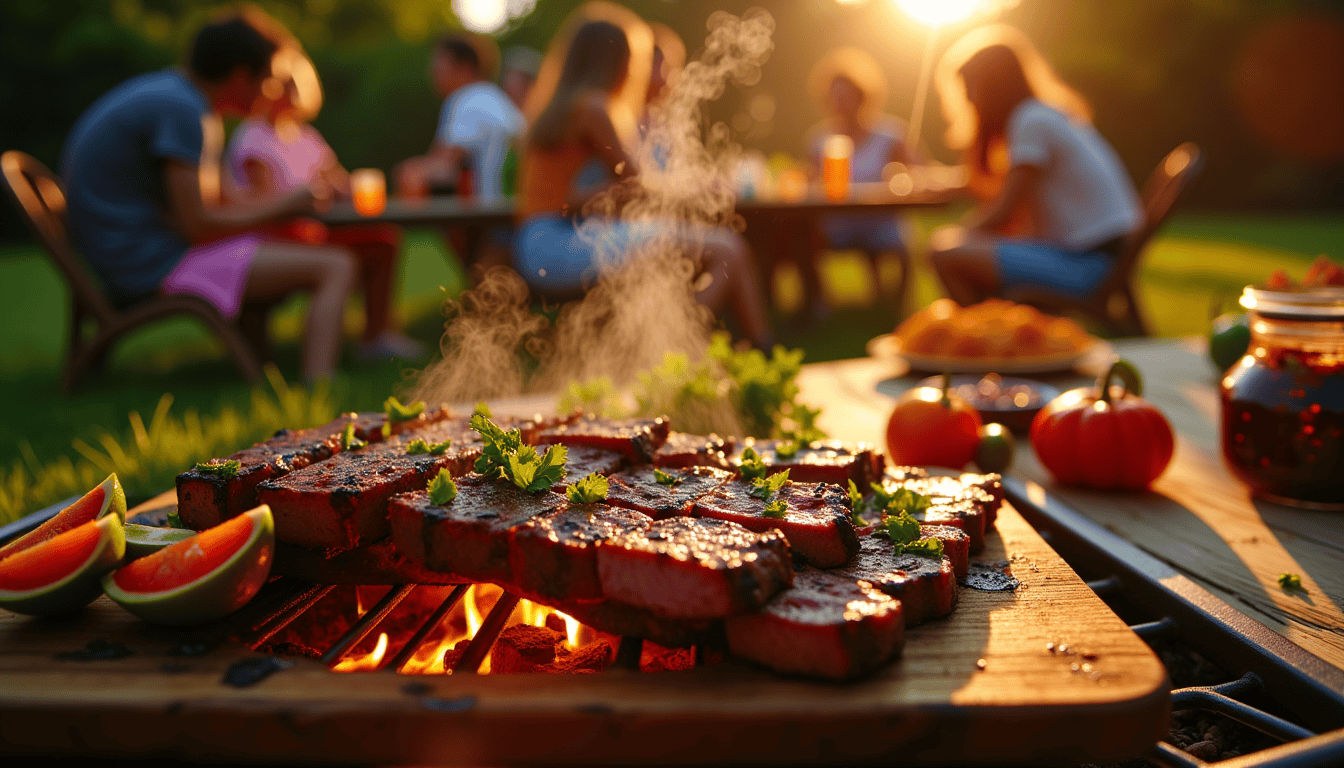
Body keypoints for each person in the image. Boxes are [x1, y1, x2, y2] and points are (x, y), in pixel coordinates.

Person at [61, 8, 355, 382]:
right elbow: (199, 224)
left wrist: (291, 201)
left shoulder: (179, 98)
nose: (272, 93)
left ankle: (279, 362)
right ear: (239, 75)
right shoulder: (184, 112)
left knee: (302, 250)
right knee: (335, 265)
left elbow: (218, 201)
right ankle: (319, 382)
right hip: (148, 262)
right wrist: (287, 205)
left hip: (131, 252)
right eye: (269, 80)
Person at [514, 19, 772, 349]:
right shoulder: (594, 108)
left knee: (685, 254)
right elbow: (638, 183)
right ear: (617, 61)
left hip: (539, 238)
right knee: (727, 250)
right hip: (558, 243)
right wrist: (698, 190)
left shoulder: (561, 106)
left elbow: (577, 193)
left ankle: (684, 351)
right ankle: (676, 354)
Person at [225, 47, 423, 361]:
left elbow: (339, 181)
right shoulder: (254, 137)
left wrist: (351, 188)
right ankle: (323, 361)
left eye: (293, 84)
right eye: (281, 84)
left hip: (312, 231)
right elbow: (260, 203)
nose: (287, 92)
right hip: (277, 236)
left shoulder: (307, 137)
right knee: (345, 256)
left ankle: (376, 335)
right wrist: (303, 198)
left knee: (383, 239)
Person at [927, 26, 1142, 307]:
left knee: (944, 251)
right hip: (1100, 257)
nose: (969, 101)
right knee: (956, 247)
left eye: (970, 89)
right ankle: (991, 335)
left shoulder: (1030, 120)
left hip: (1089, 266)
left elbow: (1005, 211)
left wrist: (960, 234)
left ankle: (982, 340)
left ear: (992, 86)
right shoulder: (1046, 114)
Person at [804, 48, 917, 318]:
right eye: (834, 94)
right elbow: (808, 183)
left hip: (882, 221)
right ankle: (817, 304)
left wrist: (899, 179)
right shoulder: (820, 139)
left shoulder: (891, 135)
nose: (839, 101)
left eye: (845, 94)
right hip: (838, 223)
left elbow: (919, 173)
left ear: (862, 96)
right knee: (802, 236)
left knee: (901, 244)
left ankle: (896, 308)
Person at [397, 35, 524, 202]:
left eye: (440, 67)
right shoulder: (494, 98)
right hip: (517, 206)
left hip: (495, 212)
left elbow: (445, 164)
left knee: (410, 173)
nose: (433, 74)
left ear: (465, 68)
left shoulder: (467, 99)